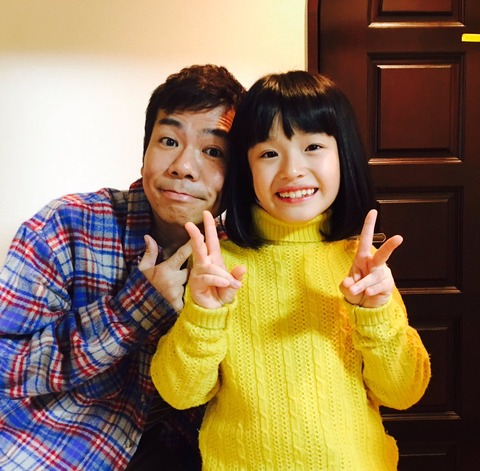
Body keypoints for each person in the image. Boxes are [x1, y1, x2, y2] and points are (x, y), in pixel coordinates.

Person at [151, 70, 432, 470]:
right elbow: (180, 393)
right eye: (269, 153)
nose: (291, 170)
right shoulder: (217, 265)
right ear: (246, 168)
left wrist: (376, 314)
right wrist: (203, 317)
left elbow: (404, 392)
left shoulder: (363, 264)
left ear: (343, 154)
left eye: (313, 146)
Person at [0, 64, 245, 470]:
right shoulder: (67, 225)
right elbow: (5, 367)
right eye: (169, 141)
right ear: (145, 151)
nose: (183, 166)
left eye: (213, 151)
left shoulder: (238, 260)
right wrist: (132, 311)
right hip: (56, 449)